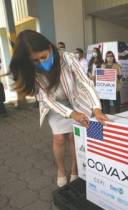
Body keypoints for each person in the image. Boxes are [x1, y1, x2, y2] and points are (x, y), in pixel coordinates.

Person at [9, 30, 108, 187]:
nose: (41, 63)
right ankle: (61, 170)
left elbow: (85, 82)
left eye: (43, 57)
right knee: (59, 138)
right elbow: (46, 99)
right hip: (55, 105)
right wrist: (70, 114)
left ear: (50, 47)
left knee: (75, 137)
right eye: (35, 61)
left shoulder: (68, 58)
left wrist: (96, 108)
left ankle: (75, 169)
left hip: (77, 101)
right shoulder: (33, 71)